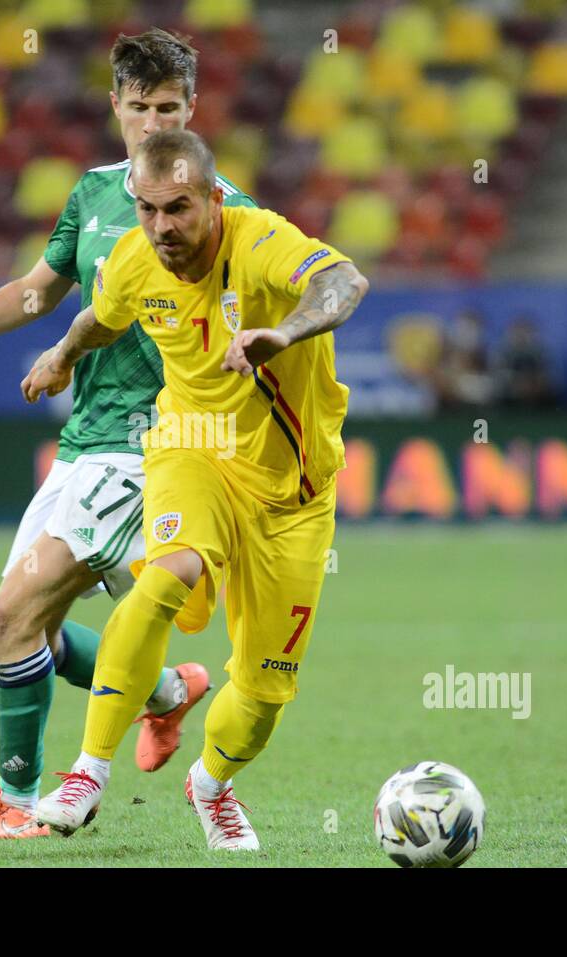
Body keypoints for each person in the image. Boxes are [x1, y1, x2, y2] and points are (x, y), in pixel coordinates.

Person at [0, 29, 257, 839]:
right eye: (138, 108)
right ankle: (167, 694)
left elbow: (249, 327)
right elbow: (38, 294)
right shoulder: (95, 195)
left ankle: (17, 804)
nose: (151, 123)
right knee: (15, 622)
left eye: (168, 107)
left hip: (155, 445)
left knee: (15, 609)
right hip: (84, 440)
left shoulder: (226, 211)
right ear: (115, 107)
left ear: (193, 110)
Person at [20, 129, 369, 850]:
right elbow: (100, 316)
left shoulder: (261, 240)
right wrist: (60, 354)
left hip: (292, 490)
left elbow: (345, 283)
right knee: (166, 575)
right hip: (193, 449)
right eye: (147, 210)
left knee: (266, 689)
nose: (161, 227)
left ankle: (211, 785)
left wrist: (288, 330)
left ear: (214, 197)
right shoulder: (133, 260)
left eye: (177, 208)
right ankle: (87, 772)